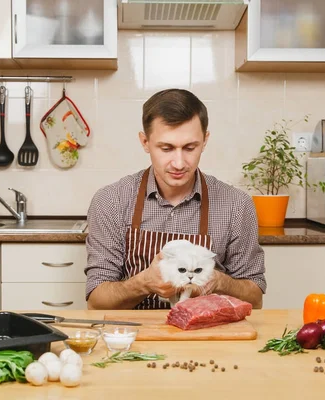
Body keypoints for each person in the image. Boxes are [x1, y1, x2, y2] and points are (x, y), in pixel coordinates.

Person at [84, 89, 266, 310]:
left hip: (208, 336)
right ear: (145, 142)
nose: (179, 163)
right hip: (133, 334)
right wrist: (143, 283)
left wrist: (219, 282)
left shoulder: (236, 205)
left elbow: (255, 299)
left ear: (205, 140)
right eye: (166, 148)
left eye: (190, 148)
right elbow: (97, 302)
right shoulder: (111, 201)